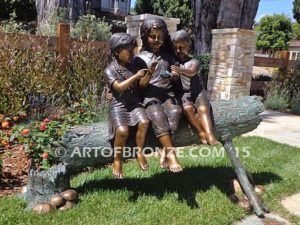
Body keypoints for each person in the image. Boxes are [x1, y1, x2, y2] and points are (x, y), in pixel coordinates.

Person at [133, 18, 183, 172]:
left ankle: (164, 151)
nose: (157, 40)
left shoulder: (168, 56)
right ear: (144, 37)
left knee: (176, 111)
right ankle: (171, 154)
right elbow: (140, 86)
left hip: (167, 95)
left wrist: (174, 75)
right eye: (152, 36)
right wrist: (150, 74)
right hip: (150, 97)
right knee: (157, 114)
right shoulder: (140, 59)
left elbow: (176, 74)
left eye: (160, 37)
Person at [104, 33, 151, 179]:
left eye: (133, 49)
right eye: (128, 50)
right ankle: (117, 160)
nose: (132, 53)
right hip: (119, 105)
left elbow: (142, 85)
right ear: (117, 52)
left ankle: (139, 152)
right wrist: (136, 76)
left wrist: (149, 74)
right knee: (123, 131)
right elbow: (118, 87)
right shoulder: (110, 69)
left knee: (144, 122)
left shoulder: (135, 64)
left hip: (134, 103)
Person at [170, 30, 219, 145]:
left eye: (182, 47)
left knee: (203, 109)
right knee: (187, 109)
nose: (179, 51)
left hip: (198, 93)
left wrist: (180, 70)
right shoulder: (175, 63)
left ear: (189, 46)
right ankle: (200, 132)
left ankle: (210, 134)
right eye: (176, 48)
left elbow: (192, 72)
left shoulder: (194, 61)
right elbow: (175, 77)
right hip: (185, 95)